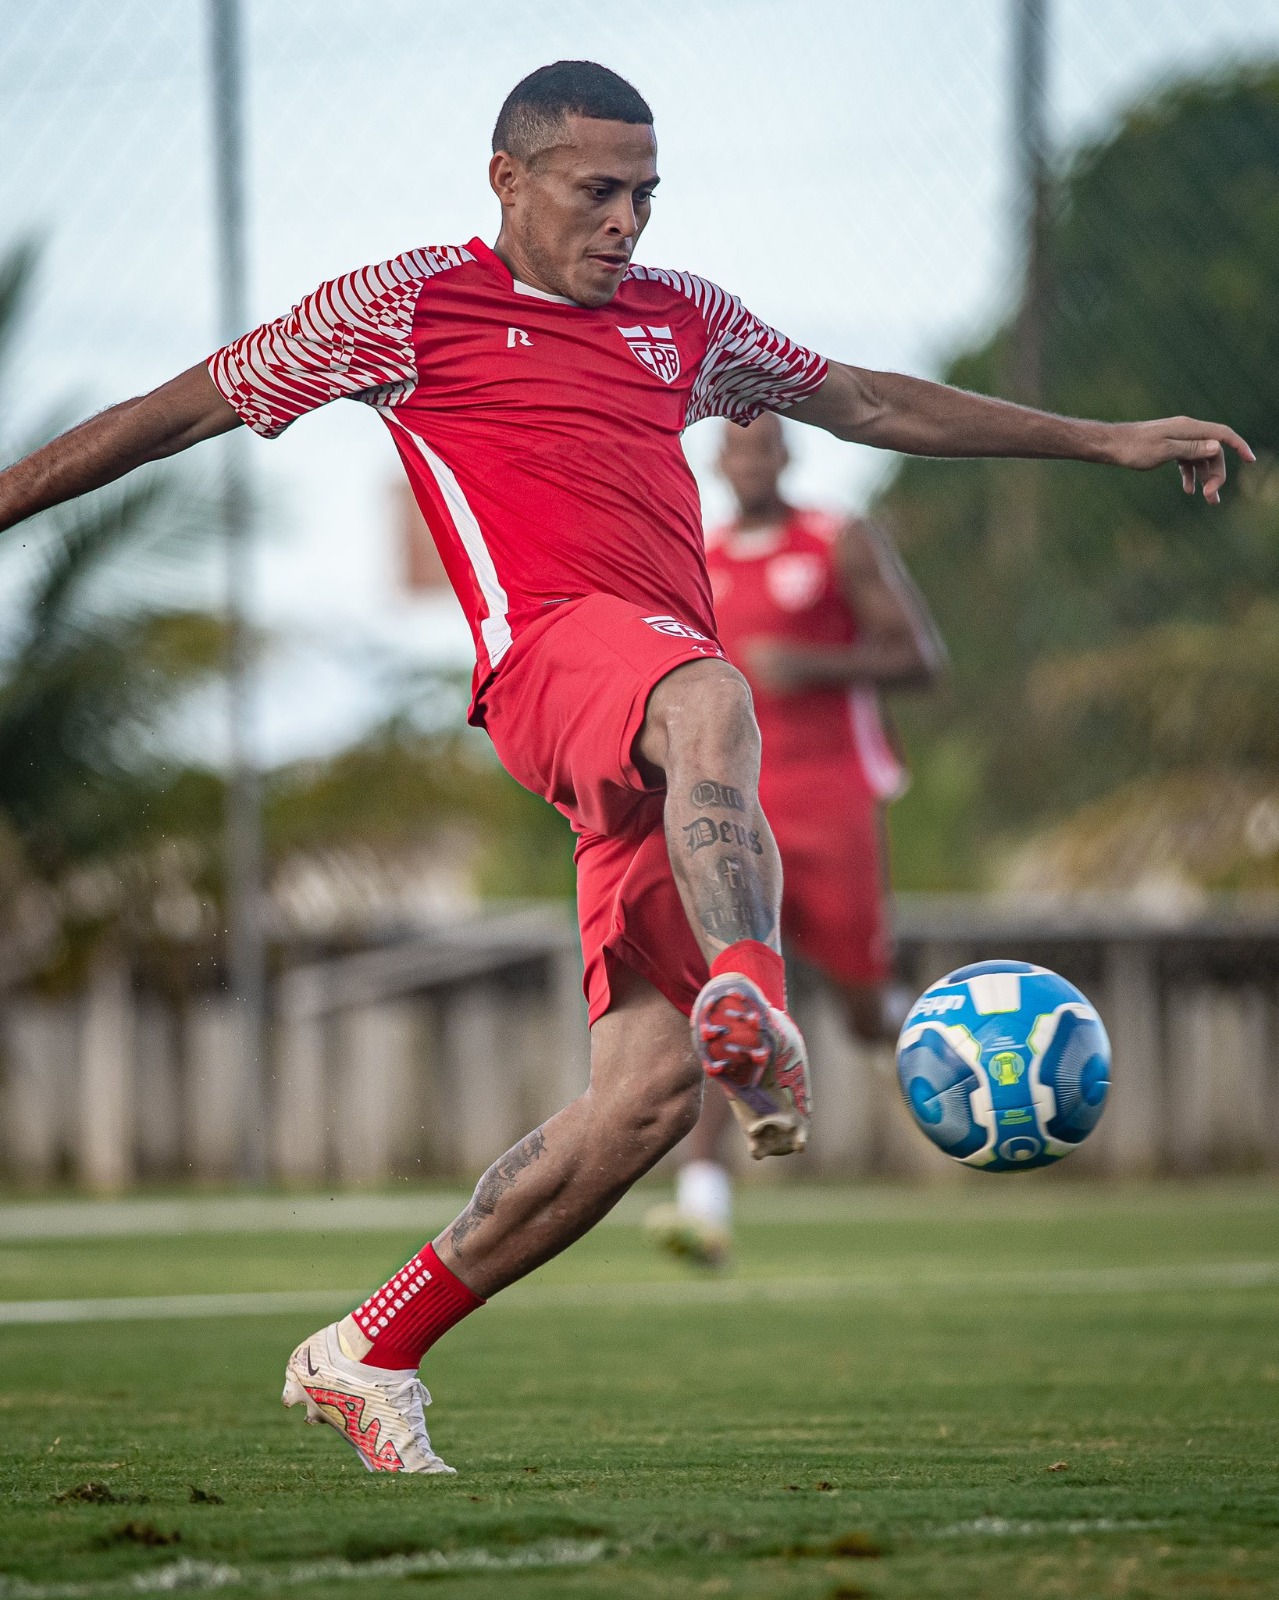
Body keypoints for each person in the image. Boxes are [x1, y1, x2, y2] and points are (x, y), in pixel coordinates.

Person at [0, 60, 1250, 1476]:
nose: (626, 222)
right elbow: (184, 406)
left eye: (645, 194)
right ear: (507, 178)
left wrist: (1101, 438)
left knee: (645, 1104)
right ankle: (761, 1013)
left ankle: (370, 1347)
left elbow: (863, 404)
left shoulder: (684, 321)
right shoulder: (400, 308)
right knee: (712, 687)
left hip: (652, 731)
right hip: (551, 668)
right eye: (596, 190)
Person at [647, 413, 943, 1267]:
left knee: (860, 1007)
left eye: (763, 445)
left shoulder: (837, 540)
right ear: (717, 459)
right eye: (734, 447)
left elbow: (920, 658)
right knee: (727, 1001)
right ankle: (702, 1204)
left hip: (835, 798)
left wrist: (809, 665)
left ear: (786, 453)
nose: (749, 460)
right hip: (734, 809)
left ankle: (957, 1059)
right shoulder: (694, 556)